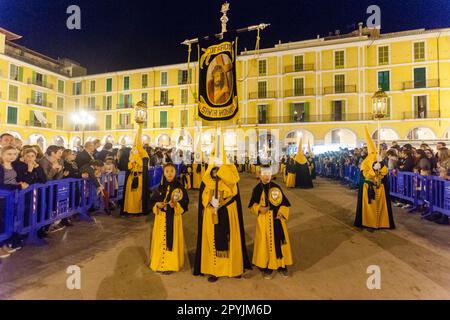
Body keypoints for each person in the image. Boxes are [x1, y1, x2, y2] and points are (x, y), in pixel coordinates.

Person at [193, 148, 252, 282]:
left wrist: (224, 201)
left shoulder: (231, 178)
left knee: (231, 239)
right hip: (212, 214)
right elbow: (203, 198)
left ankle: (234, 269)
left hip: (229, 213)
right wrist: (210, 202)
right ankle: (213, 270)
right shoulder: (207, 179)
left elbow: (234, 194)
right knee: (212, 241)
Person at [248, 165, 293, 279]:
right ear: (259, 174)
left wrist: (281, 213)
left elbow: (285, 204)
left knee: (280, 243)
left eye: (269, 173)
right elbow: (252, 206)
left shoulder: (276, 187)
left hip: (277, 220)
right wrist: (259, 209)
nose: (267, 176)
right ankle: (268, 266)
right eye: (264, 173)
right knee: (266, 244)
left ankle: (282, 266)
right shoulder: (257, 189)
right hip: (264, 221)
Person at [149, 163, 189, 273]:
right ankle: (159, 264)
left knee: (172, 239)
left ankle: (170, 265)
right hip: (161, 219)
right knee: (161, 240)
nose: (169, 173)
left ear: (175, 172)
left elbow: (185, 203)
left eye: (172, 171)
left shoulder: (179, 187)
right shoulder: (159, 187)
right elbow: (151, 201)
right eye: (167, 171)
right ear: (164, 173)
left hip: (174, 219)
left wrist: (176, 205)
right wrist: (157, 204)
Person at [354, 127, 395, 230]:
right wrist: (373, 168)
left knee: (381, 207)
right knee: (370, 208)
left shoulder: (379, 159)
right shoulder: (365, 162)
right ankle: (369, 223)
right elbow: (366, 175)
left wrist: (381, 166)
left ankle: (381, 223)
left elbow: (385, 172)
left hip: (380, 187)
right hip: (369, 188)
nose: (374, 155)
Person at [120, 124, 149, 216]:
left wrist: (137, 157)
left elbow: (143, 166)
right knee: (130, 195)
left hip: (139, 178)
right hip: (131, 177)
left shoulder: (144, 155)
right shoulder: (132, 154)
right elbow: (128, 167)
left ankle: (138, 210)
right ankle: (128, 210)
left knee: (138, 196)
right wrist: (131, 161)